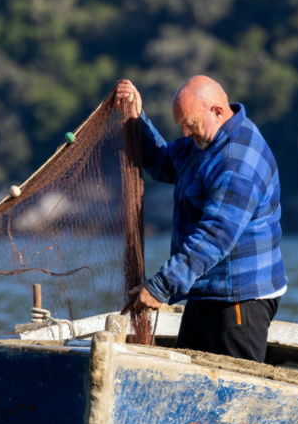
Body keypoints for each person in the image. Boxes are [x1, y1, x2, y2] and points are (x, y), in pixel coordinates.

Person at [116, 75, 286, 363]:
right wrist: (136, 118)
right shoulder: (204, 140)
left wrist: (160, 286)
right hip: (207, 288)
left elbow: (213, 238)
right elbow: (162, 162)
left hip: (240, 298)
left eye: (190, 125)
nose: (184, 134)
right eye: (181, 124)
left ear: (217, 112)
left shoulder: (236, 162)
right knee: (187, 375)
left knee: (238, 388)